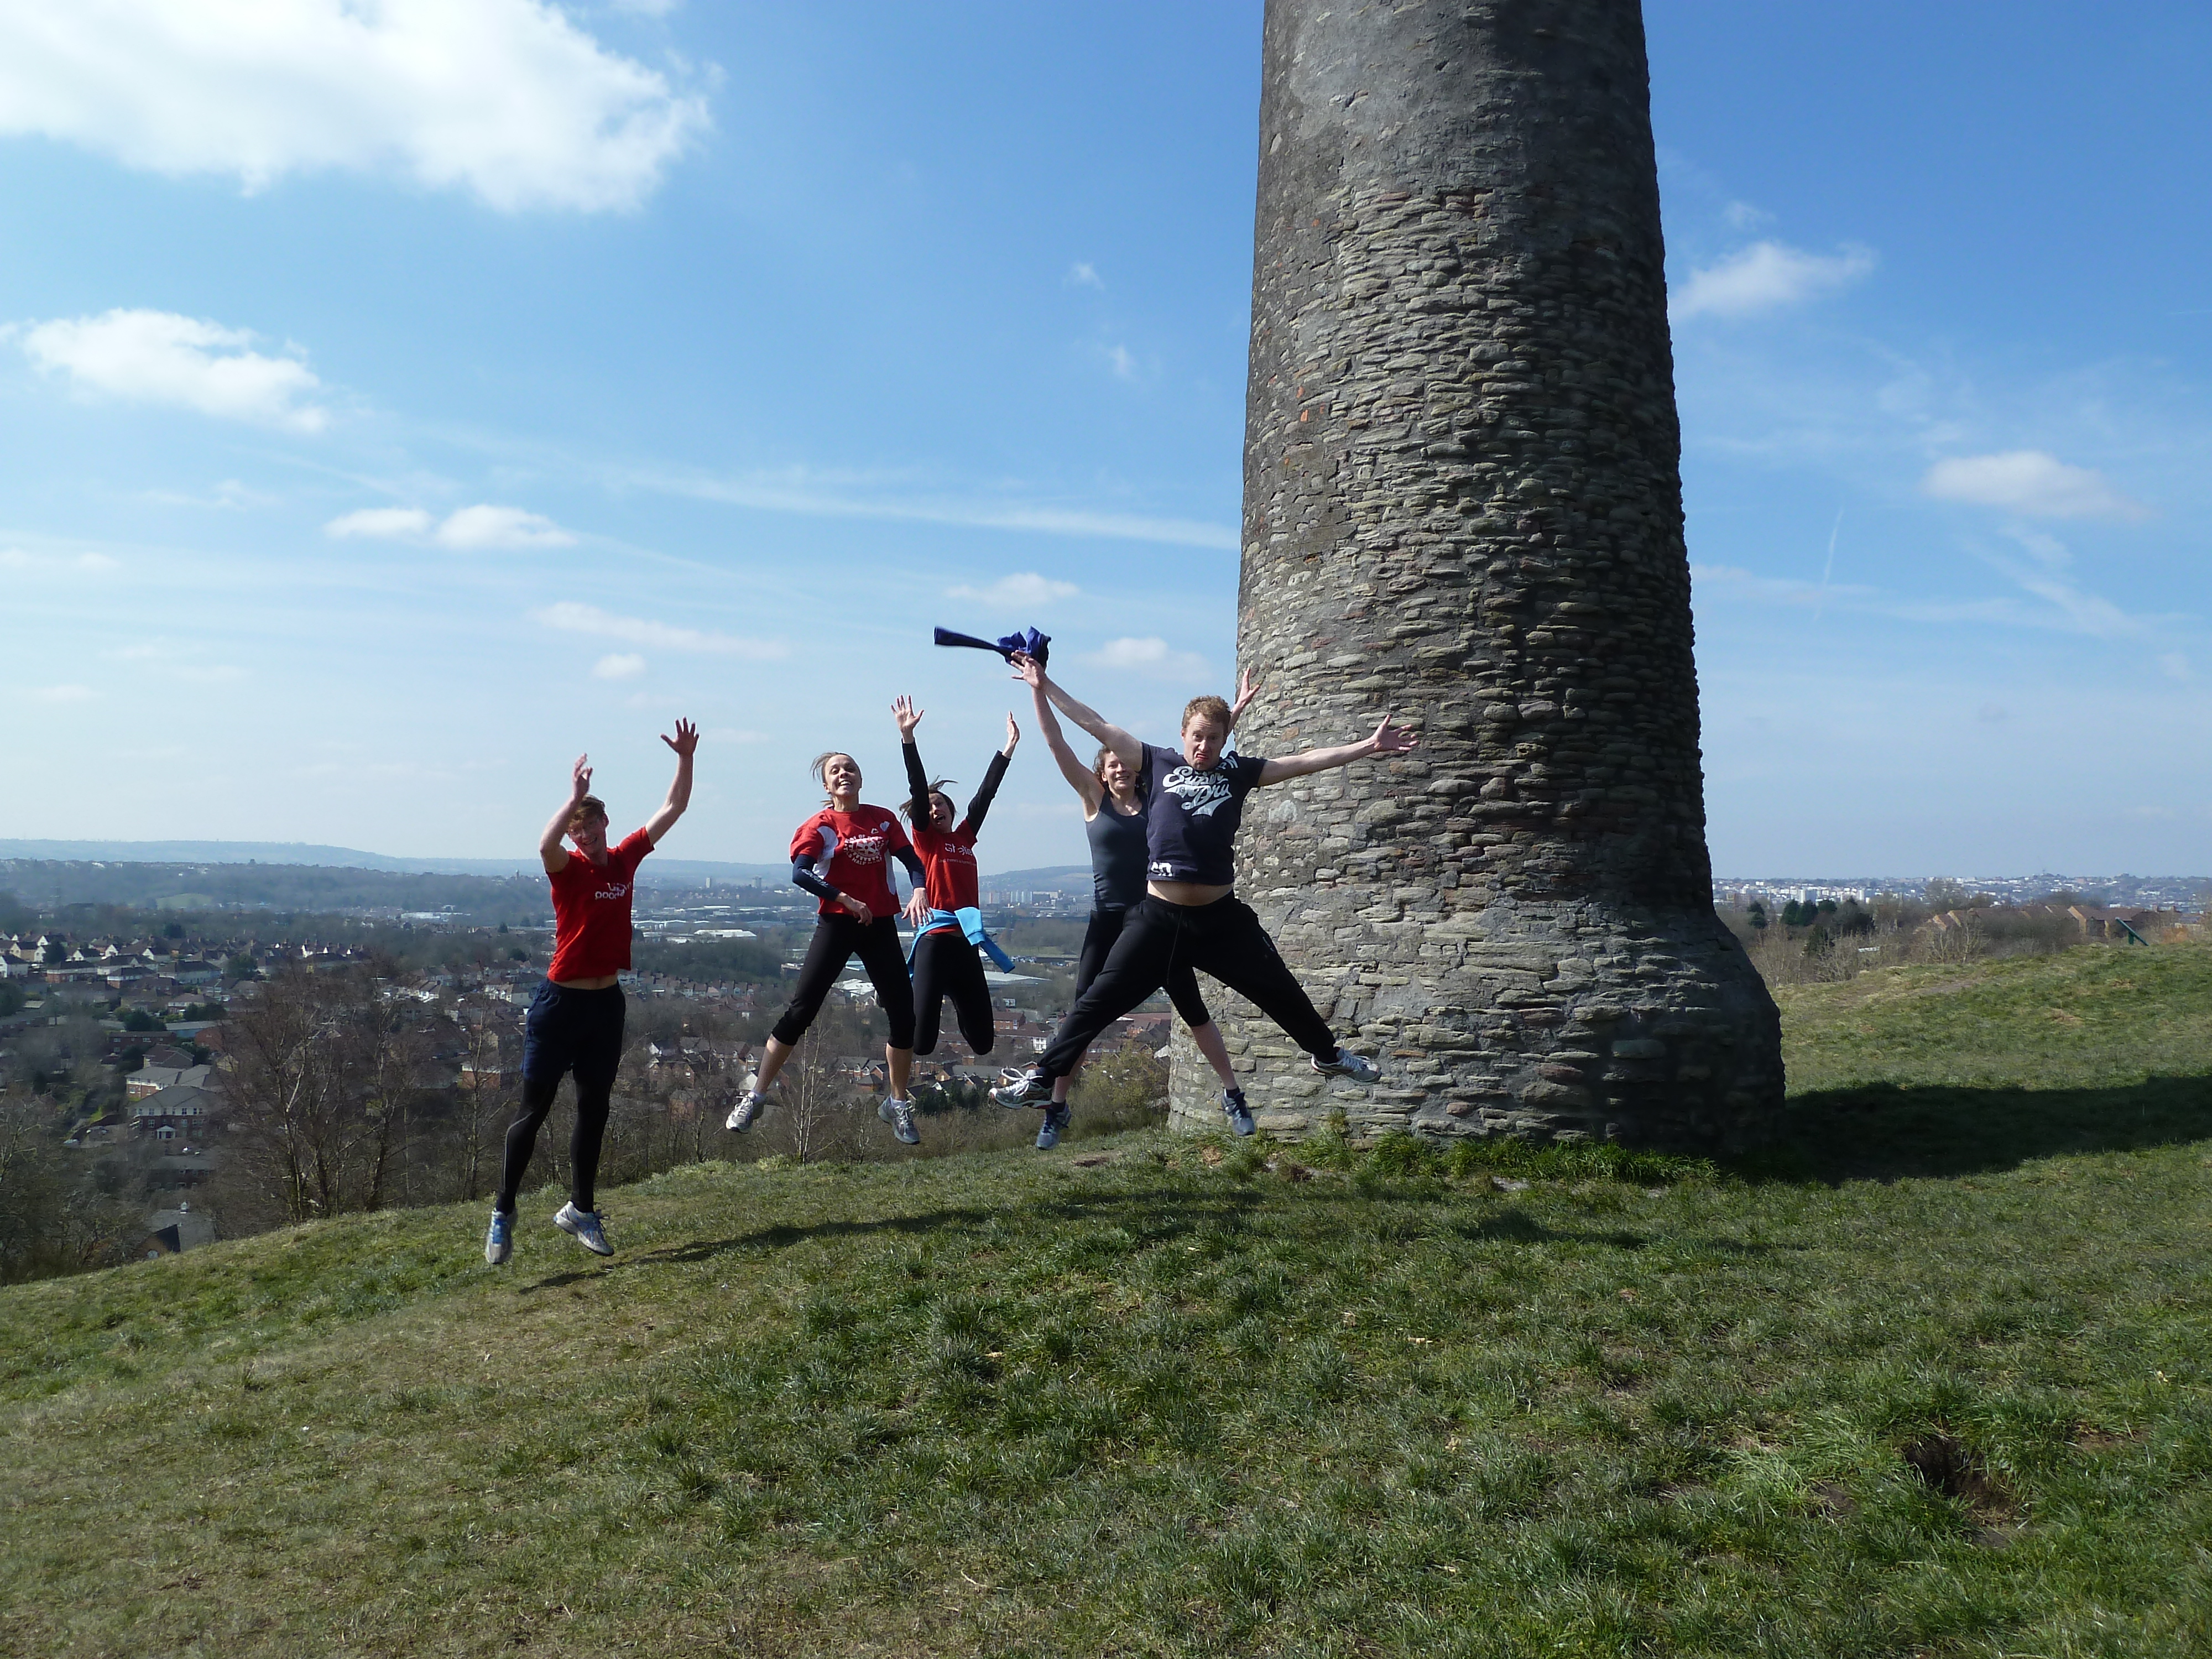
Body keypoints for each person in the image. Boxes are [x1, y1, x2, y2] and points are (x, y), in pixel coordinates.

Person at [993, 654, 1416, 1139]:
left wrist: (1367, 746)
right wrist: (1044, 684)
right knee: (1096, 1001)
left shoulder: (1238, 773)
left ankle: (1328, 1055)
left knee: (1277, 986)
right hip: (1157, 919)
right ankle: (1042, 1079)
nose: (1204, 745)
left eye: (1214, 737)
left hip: (1219, 919)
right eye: (1197, 736)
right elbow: (1095, 724)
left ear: (1224, 738)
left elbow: (1300, 763)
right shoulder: (1156, 763)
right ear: (1183, 736)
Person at [486, 720, 697, 1265]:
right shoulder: (567, 869)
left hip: (606, 1005)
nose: (585, 834)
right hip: (559, 1005)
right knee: (532, 1114)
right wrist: (571, 798)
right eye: (577, 828)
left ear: (605, 823)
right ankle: (503, 1212)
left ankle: (581, 1209)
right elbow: (543, 843)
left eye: (591, 822)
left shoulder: (625, 857)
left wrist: (684, 759)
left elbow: (672, 810)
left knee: (594, 1110)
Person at [1025, 664, 1253, 1149]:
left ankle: (1233, 1093)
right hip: (1108, 920)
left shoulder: (1160, 796)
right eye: (1111, 765)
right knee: (1083, 1015)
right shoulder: (1092, 798)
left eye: (1125, 764)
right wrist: (1038, 693)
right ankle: (1056, 1109)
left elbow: (1204, 756)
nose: (1121, 769)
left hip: (1156, 918)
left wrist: (1234, 713)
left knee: (1193, 1009)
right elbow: (1056, 744)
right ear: (1101, 772)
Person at [726, 748, 932, 1145]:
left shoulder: (882, 819)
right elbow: (800, 874)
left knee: (905, 1016)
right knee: (801, 1011)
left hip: (879, 925)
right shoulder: (820, 825)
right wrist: (846, 900)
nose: (844, 774)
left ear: (860, 778)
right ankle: (755, 1096)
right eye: (835, 770)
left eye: (850, 768)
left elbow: (912, 861)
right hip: (838, 924)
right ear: (826, 785)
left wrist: (920, 887)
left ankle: (897, 1102)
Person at [894, 694, 1019, 1062]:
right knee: (922, 1043)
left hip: (966, 945)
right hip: (934, 940)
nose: (935, 808)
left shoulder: (964, 838)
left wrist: (1007, 750)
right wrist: (908, 739)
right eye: (929, 807)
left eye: (942, 804)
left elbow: (985, 797)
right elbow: (918, 788)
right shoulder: (925, 840)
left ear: (951, 811)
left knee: (983, 1043)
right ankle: (905, 1000)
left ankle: (953, 995)